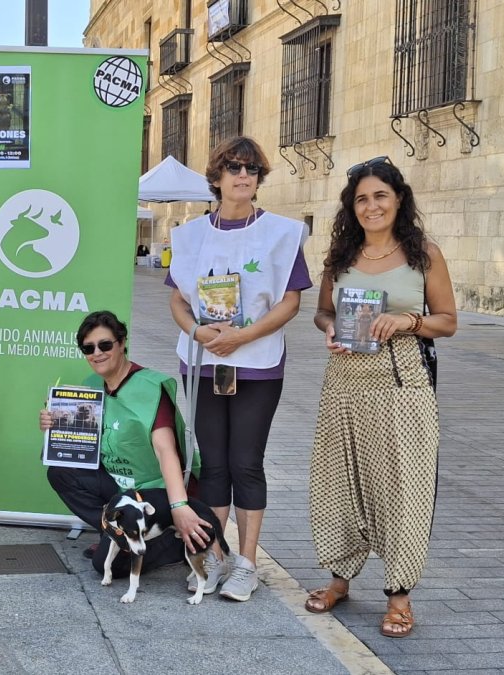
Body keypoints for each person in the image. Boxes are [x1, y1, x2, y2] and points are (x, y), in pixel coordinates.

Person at [305, 156, 457, 638]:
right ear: (352, 207)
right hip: (345, 383)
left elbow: (448, 321)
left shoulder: (424, 255)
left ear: (399, 200)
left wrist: (409, 321)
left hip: (402, 385)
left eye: (381, 196)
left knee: (404, 490)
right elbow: (322, 313)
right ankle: (339, 578)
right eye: (362, 199)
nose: (371, 206)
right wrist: (331, 329)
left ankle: (400, 596)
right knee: (339, 482)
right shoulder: (340, 258)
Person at [167, 135, 311, 601]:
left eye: (251, 169)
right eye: (233, 168)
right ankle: (214, 555)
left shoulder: (283, 233)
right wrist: (198, 332)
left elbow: (290, 302)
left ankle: (247, 563)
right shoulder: (190, 234)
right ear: (217, 177)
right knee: (214, 464)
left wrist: (242, 336)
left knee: (246, 462)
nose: (243, 175)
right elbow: (176, 298)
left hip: (257, 364)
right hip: (203, 361)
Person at [41, 311, 213, 578]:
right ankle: (115, 531)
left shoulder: (149, 387)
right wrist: (57, 425)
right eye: (88, 348)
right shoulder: (92, 386)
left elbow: (166, 451)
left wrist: (180, 507)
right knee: (60, 470)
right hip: (121, 485)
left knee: (105, 565)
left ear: (122, 343)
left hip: (157, 490)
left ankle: (173, 544)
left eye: (105, 345)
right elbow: (83, 448)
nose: (97, 353)